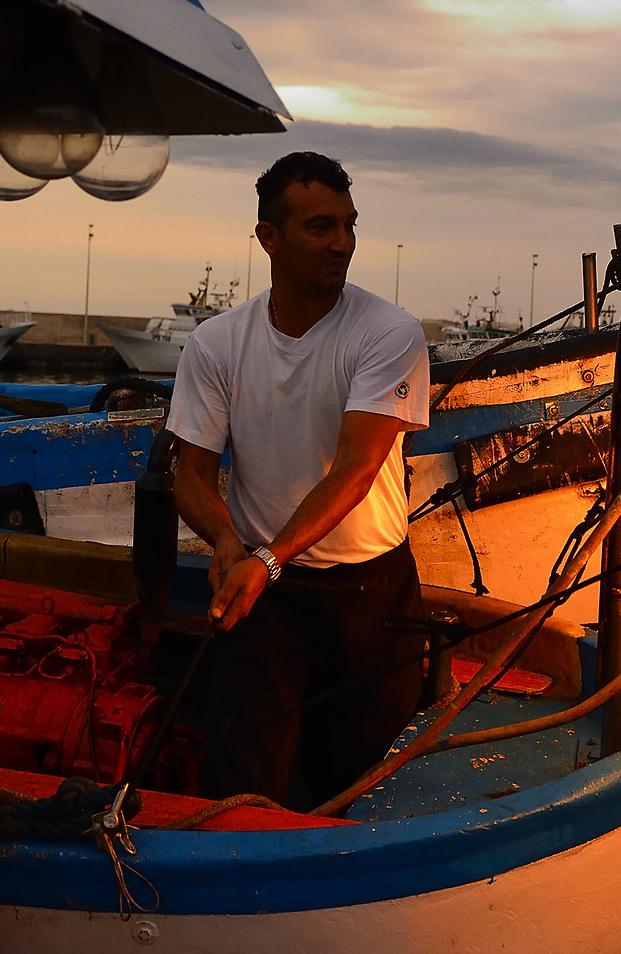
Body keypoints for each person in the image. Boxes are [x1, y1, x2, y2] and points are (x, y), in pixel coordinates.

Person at [167, 150, 432, 808]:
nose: (340, 243)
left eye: (348, 225)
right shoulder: (217, 343)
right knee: (242, 786)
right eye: (320, 227)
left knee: (362, 786)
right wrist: (228, 546)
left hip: (371, 594)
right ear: (269, 237)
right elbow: (190, 474)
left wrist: (264, 556)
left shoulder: (387, 332)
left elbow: (357, 467)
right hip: (269, 602)